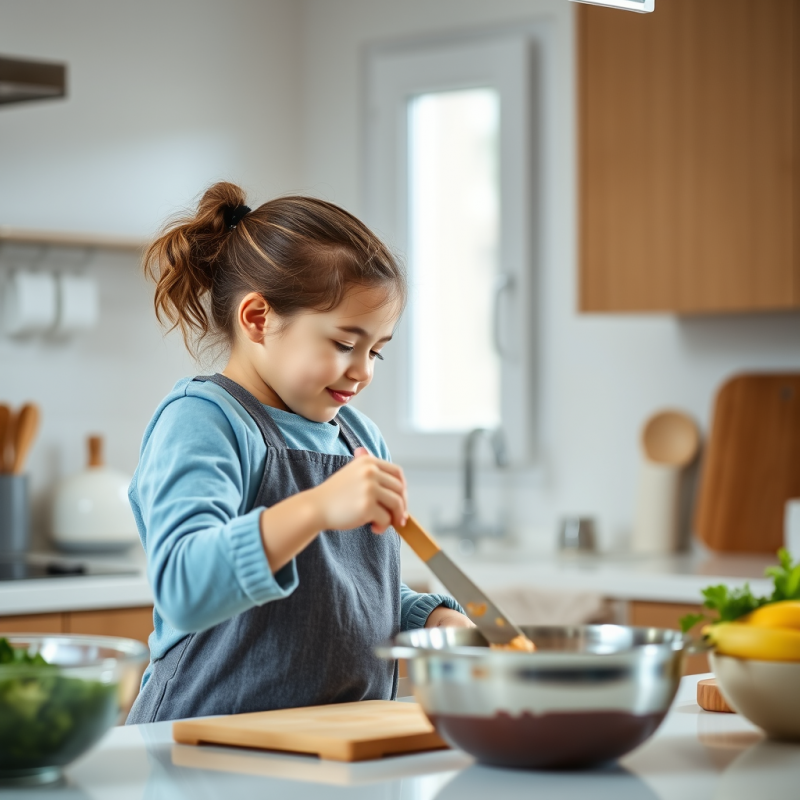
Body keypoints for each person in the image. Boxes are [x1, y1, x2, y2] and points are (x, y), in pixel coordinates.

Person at [126, 182, 470, 724]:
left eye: (376, 350)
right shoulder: (203, 421)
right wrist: (315, 508)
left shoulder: (358, 438)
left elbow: (347, 596)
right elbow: (183, 587)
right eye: (343, 344)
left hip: (332, 745)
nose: (363, 372)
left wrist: (431, 621)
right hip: (204, 747)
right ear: (258, 318)